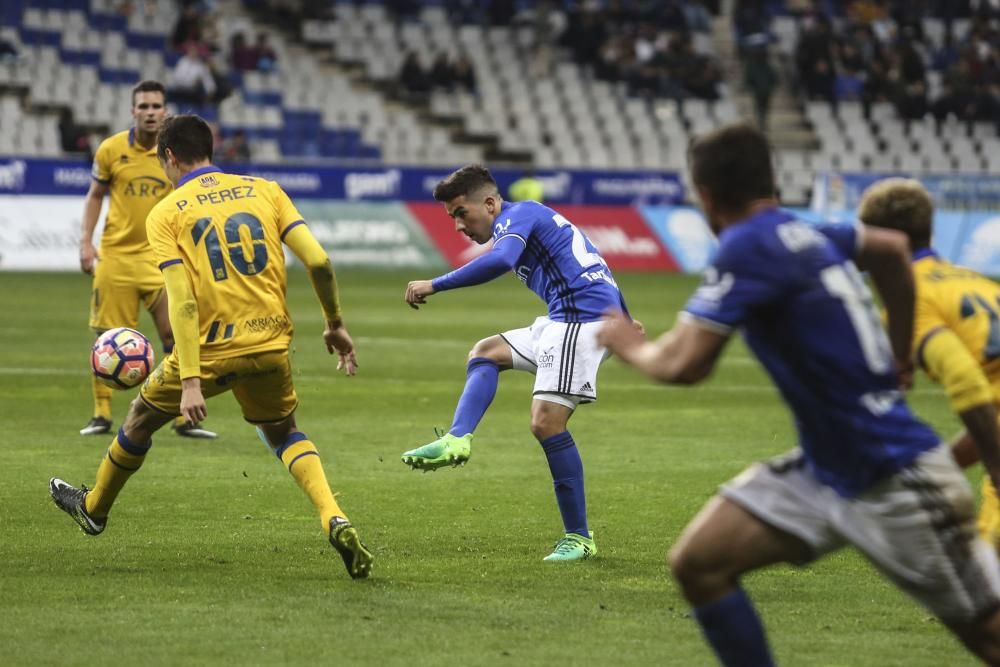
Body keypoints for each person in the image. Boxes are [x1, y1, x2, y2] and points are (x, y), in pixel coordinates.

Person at [599, 124, 1000, 665]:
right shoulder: (805, 233)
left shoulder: (746, 245)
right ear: (771, 182)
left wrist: (626, 344)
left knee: (988, 635)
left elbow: (684, 365)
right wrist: (899, 356)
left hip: (895, 473)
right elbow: (891, 248)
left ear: (707, 196)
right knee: (699, 562)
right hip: (827, 467)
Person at [50, 114, 373, 579]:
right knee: (284, 434)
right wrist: (335, 324)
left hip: (210, 351)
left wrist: (192, 383)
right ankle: (333, 517)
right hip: (271, 345)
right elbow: (319, 261)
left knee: (140, 418)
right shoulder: (266, 190)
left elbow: (181, 301)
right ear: (211, 149)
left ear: (169, 157)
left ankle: (94, 509)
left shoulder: (168, 211)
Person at [401, 165, 637, 562]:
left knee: (546, 423)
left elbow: (499, 260)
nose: (459, 225)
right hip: (566, 318)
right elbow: (597, 265)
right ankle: (457, 438)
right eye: (452, 217)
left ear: (490, 203)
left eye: (461, 212)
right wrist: (626, 321)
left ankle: (578, 538)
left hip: (579, 322)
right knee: (485, 352)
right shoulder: (528, 217)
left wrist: (435, 283)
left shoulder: (516, 216)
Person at [858, 177, 1000, 551]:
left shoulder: (912, 299)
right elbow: (992, 409)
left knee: (986, 592)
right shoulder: (979, 284)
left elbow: (965, 380)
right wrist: (944, 468)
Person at [80, 80, 216, 440]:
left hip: (161, 258)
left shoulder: (174, 154)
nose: (150, 112)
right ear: (133, 112)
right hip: (117, 258)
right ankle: (101, 415)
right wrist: (86, 242)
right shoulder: (110, 150)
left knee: (175, 331)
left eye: (156, 106)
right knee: (108, 338)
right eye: (144, 106)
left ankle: (184, 417)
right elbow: (95, 195)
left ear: (165, 110)